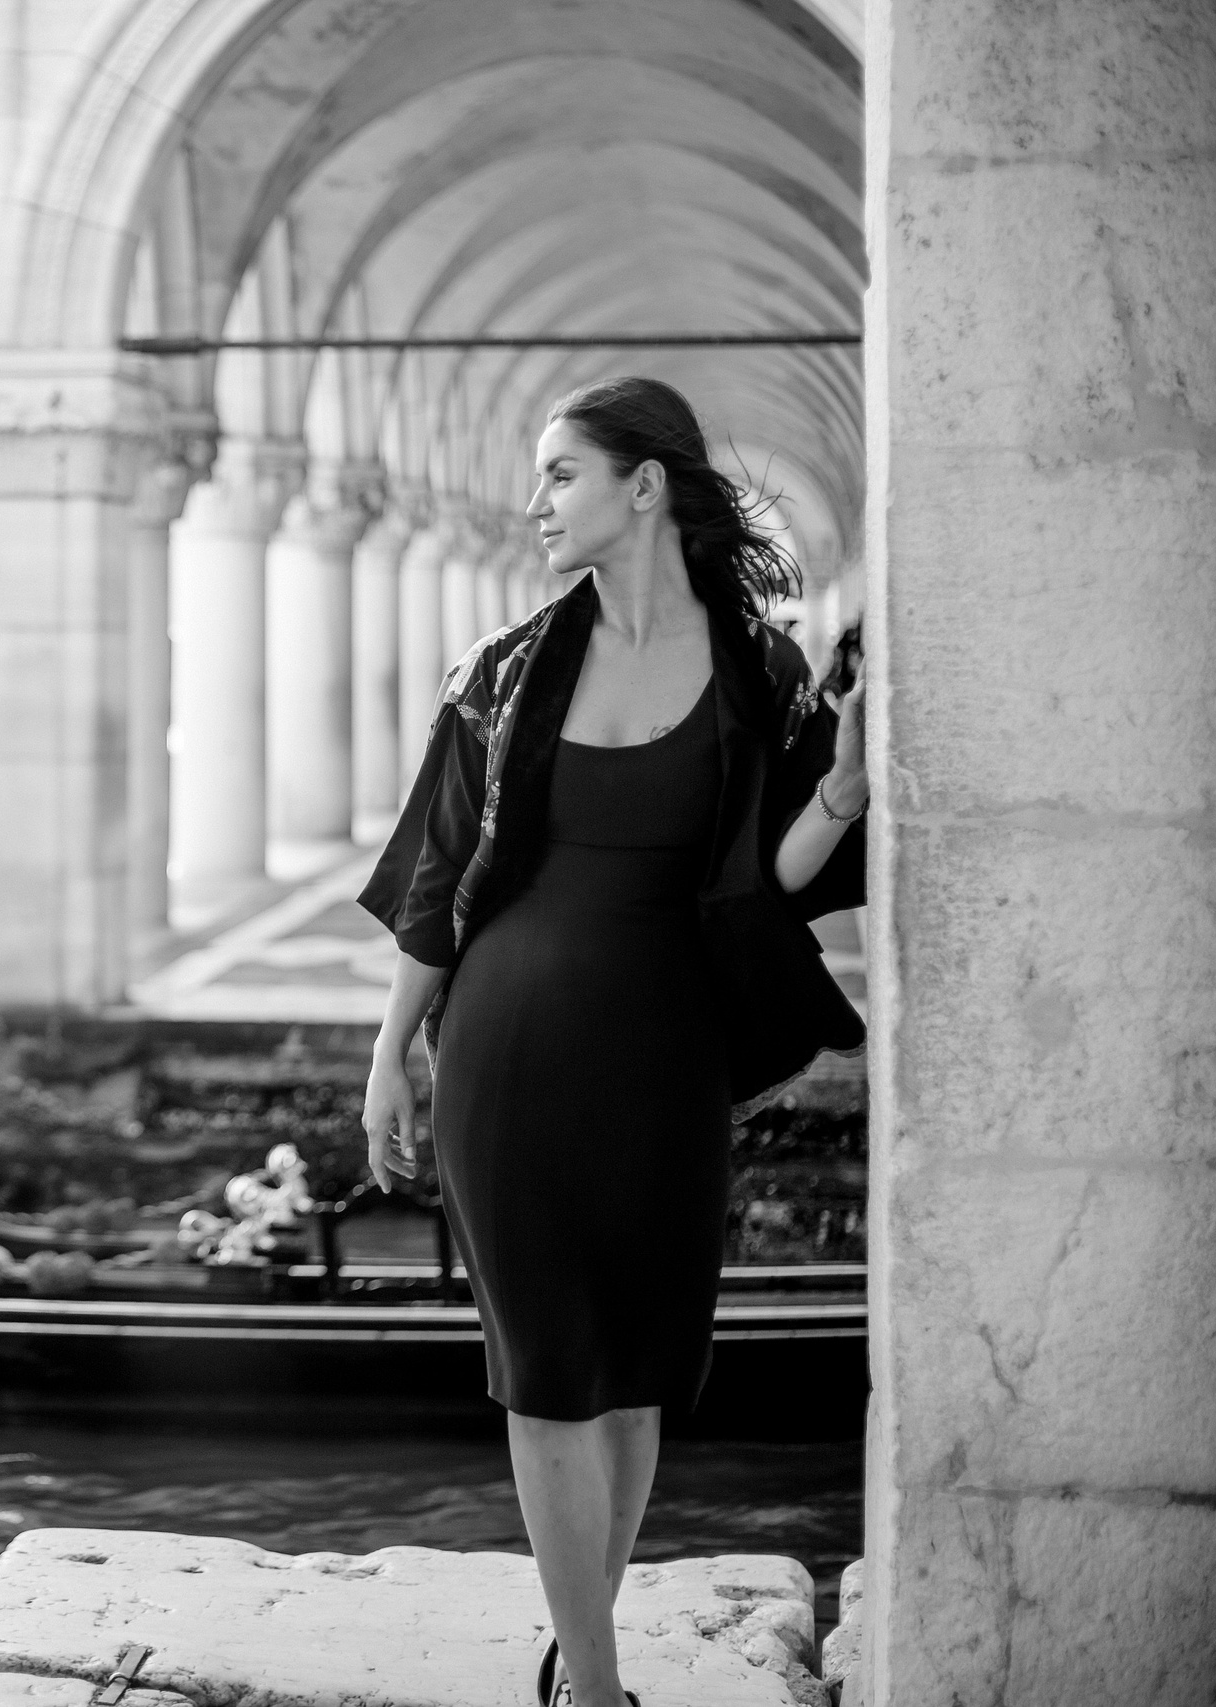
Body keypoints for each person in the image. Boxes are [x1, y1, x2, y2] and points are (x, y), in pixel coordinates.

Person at [354, 377, 866, 1707]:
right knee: (547, 1368)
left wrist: (846, 789)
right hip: (510, 1044)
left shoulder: (762, 664)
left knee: (638, 1361)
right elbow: (434, 878)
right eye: (536, 476)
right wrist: (388, 1053)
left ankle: (585, 1649)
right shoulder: (503, 670)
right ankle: (592, 1682)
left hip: (667, 1048)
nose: (537, 502)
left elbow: (774, 872)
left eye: (562, 473)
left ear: (645, 485)